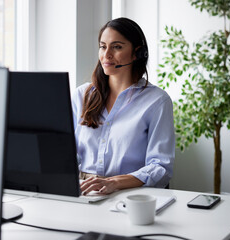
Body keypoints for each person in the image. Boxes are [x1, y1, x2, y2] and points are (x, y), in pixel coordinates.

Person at [71, 17, 175, 195]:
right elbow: (64, 152)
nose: (107, 54)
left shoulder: (157, 101)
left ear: (137, 53)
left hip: (130, 194)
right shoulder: (82, 95)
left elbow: (160, 167)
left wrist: (114, 183)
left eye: (117, 47)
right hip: (83, 192)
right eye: (103, 46)